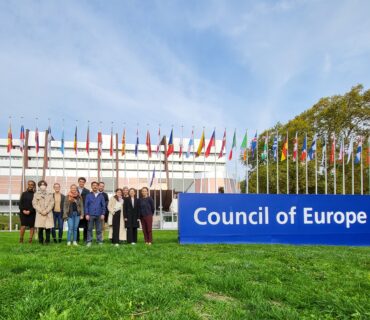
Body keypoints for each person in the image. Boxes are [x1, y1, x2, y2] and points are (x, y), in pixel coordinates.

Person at [33, 180, 55, 244]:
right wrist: (41, 211)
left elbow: (52, 203)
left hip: (48, 213)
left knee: (48, 228)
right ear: (39, 186)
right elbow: (34, 204)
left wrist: (46, 211)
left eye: (44, 185)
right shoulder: (36, 194)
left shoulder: (50, 194)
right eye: (41, 185)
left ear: (46, 186)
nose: (43, 186)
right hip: (40, 214)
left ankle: (47, 241)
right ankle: (41, 241)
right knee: (40, 228)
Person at [85, 181, 105, 246]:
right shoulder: (88, 195)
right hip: (90, 214)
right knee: (89, 229)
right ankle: (89, 241)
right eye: (93, 185)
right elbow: (86, 205)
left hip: (99, 215)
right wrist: (87, 214)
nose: (95, 186)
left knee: (99, 229)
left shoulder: (101, 195)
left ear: (98, 186)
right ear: (91, 186)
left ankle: (99, 241)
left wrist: (103, 214)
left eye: (96, 185)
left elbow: (103, 206)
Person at [76, 177, 89, 243]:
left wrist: (87, 212)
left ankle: (85, 239)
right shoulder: (74, 189)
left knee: (86, 226)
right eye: (80, 181)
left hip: (85, 211)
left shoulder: (87, 191)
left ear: (84, 183)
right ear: (78, 182)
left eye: (83, 182)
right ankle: (77, 239)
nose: (81, 183)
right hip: (76, 211)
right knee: (76, 226)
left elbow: (88, 202)